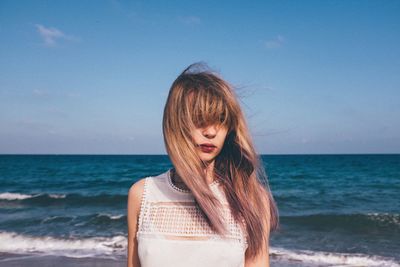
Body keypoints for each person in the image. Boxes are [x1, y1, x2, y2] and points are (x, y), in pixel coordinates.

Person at [127, 63, 279, 267]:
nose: (211, 132)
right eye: (200, 119)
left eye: (221, 120)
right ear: (175, 123)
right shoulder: (143, 194)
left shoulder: (252, 198)